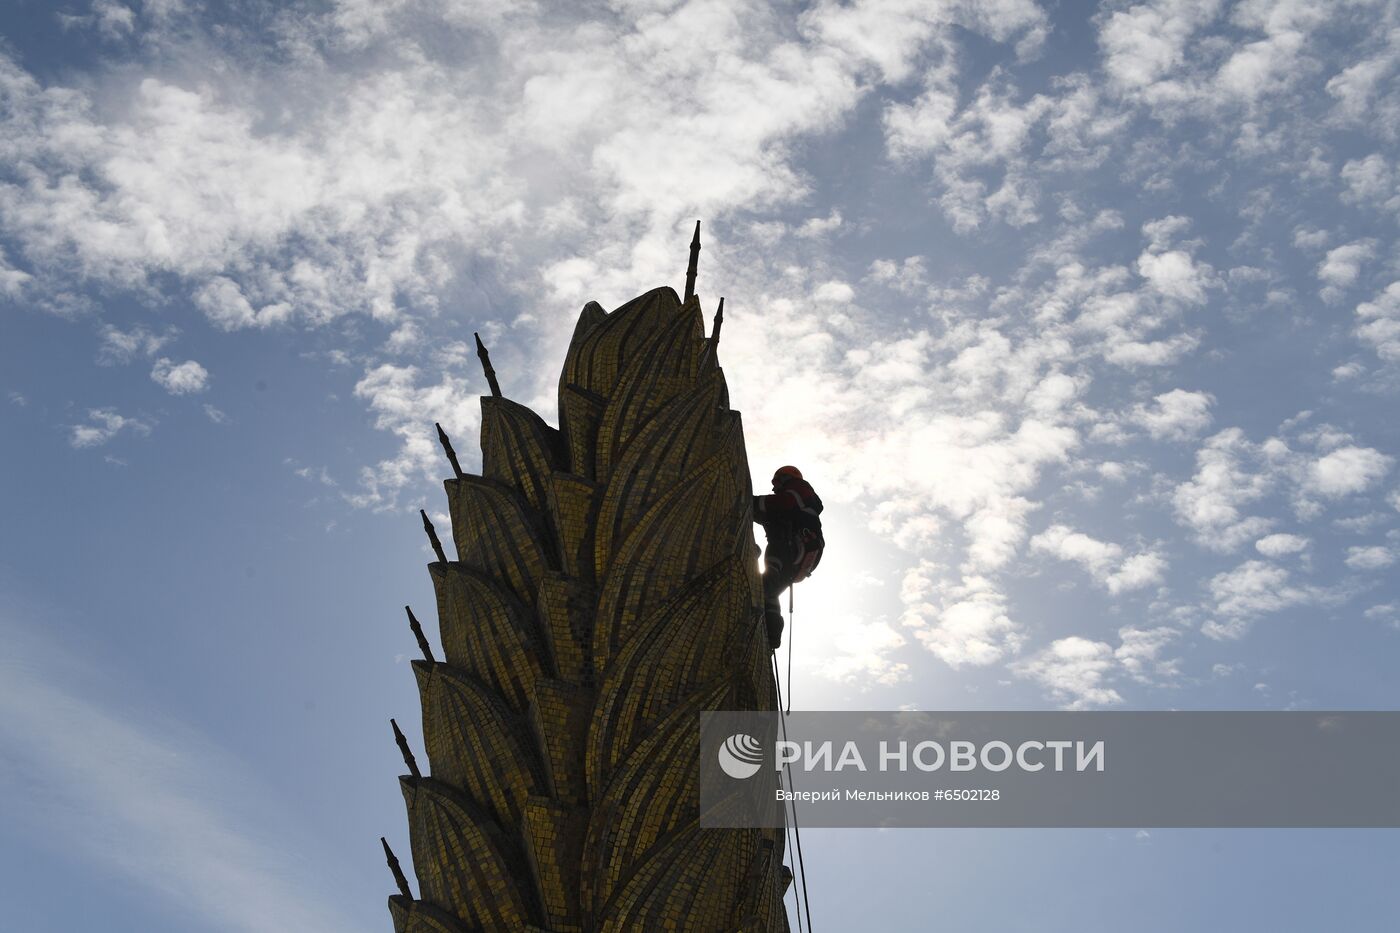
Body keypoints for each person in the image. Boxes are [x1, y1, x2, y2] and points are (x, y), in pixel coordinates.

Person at [752, 465, 824, 649]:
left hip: (795, 544)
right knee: (771, 591)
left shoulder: (799, 489)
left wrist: (750, 501)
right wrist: (754, 510)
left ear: (786, 478)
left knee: (772, 569)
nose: (774, 487)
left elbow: (783, 503)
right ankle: (772, 632)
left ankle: (768, 584)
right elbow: (769, 513)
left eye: (776, 482)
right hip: (802, 559)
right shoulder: (801, 505)